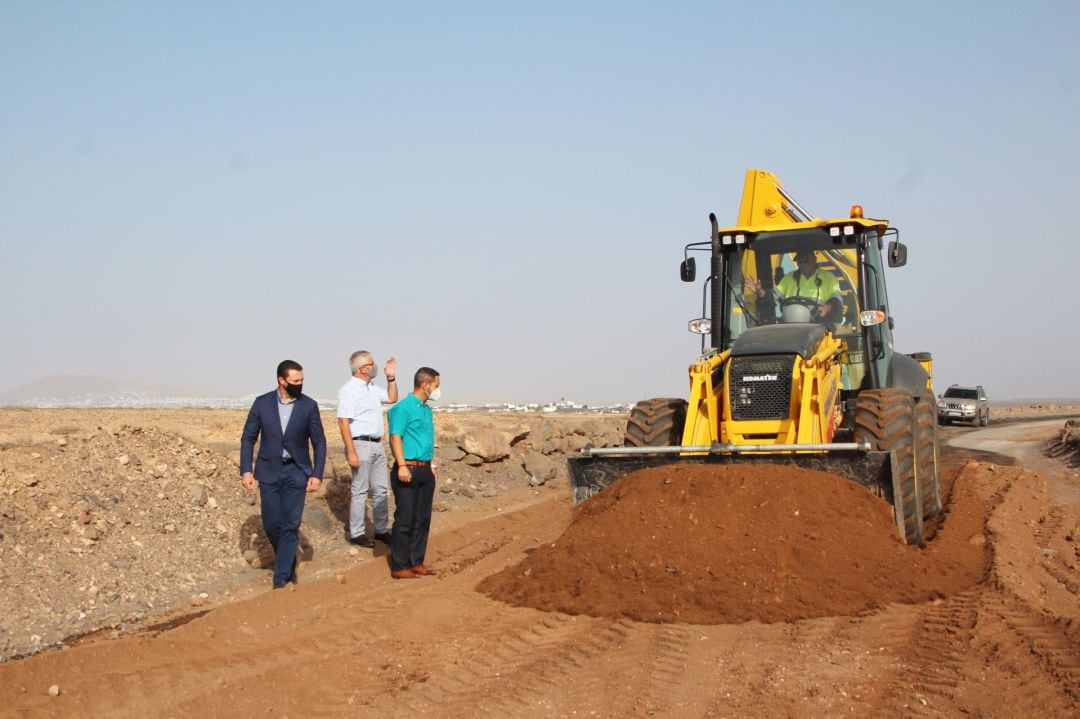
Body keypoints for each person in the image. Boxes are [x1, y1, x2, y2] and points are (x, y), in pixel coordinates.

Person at [240, 360, 327, 589]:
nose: (300, 384)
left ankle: (281, 579)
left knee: (290, 524)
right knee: (271, 524)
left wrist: (317, 473)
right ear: (282, 380)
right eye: (295, 381)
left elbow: (319, 442)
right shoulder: (262, 403)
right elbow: (248, 437)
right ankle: (288, 563)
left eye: (302, 381)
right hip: (268, 471)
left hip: (297, 471)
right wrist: (246, 470)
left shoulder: (309, 406)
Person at [336, 351, 398, 548]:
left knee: (380, 490)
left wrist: (391, 377)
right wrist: (351, 451)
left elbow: (392, 397)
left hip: (377, 443)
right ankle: (357, 532)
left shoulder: (372, 387)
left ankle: (381, 530)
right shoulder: (349, 390)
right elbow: (343, 422)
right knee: (360, 490)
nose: (374, 366)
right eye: (372, 363)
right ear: (363, 368)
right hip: (360, 444)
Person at [386, 367, 441, 579]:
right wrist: (401, 465)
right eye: (436, 385)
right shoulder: (404, 408)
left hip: (425, 470)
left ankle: (416, 561)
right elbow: (395, 437)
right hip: (407, 469)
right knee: (405, 518)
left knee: (422, 518)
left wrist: (432, 464)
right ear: (426, 385)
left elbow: (424, 440)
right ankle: (399, 565)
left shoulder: (426, 410)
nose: (438, 390)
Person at [746, 248, 843, 324]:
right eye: (800, 262)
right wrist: (759, 291)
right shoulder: (789, 278)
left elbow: (837, 301)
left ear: (814, 259)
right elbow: (773, 296)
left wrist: (826, 308)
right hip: (791, 327)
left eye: (806, 261)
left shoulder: (829, 278)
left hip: (819, 325)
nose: (803, 265)